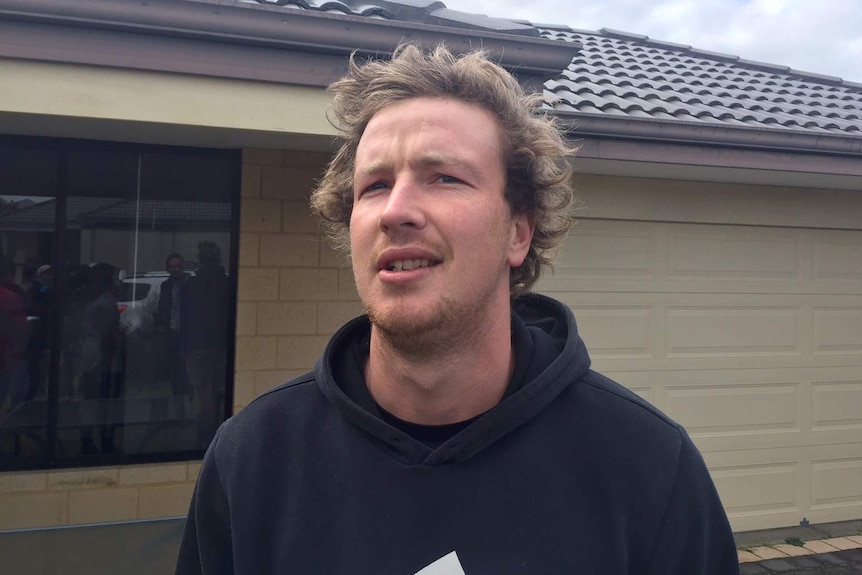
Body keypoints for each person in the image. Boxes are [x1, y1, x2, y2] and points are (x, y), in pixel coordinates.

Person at [177, 45, 739, 575]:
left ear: (518, 232)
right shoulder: (251, 460)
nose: (395, 211)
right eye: (373, 186)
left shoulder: (648, 466)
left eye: (443, 177)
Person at [181, 241, 229, 449]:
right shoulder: (227, 283)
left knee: (201, 391)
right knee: (216, 390)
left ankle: (204, 435)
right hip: (220, 345)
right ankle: (214, 433)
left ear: (200, 260)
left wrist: (183, 345)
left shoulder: (192, 284)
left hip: (197, 345)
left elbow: (185, 317)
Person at [155, 253, 187, 396]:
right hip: (171, 333)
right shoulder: (165, 286)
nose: (176, 270)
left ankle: (186, 400)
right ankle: (176, 397)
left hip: (187, 334)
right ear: (168, 269)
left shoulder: (189, 284)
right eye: (172, 267)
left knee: (186, 370)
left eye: (178, 266)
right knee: (172, 369)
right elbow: (162, 308)